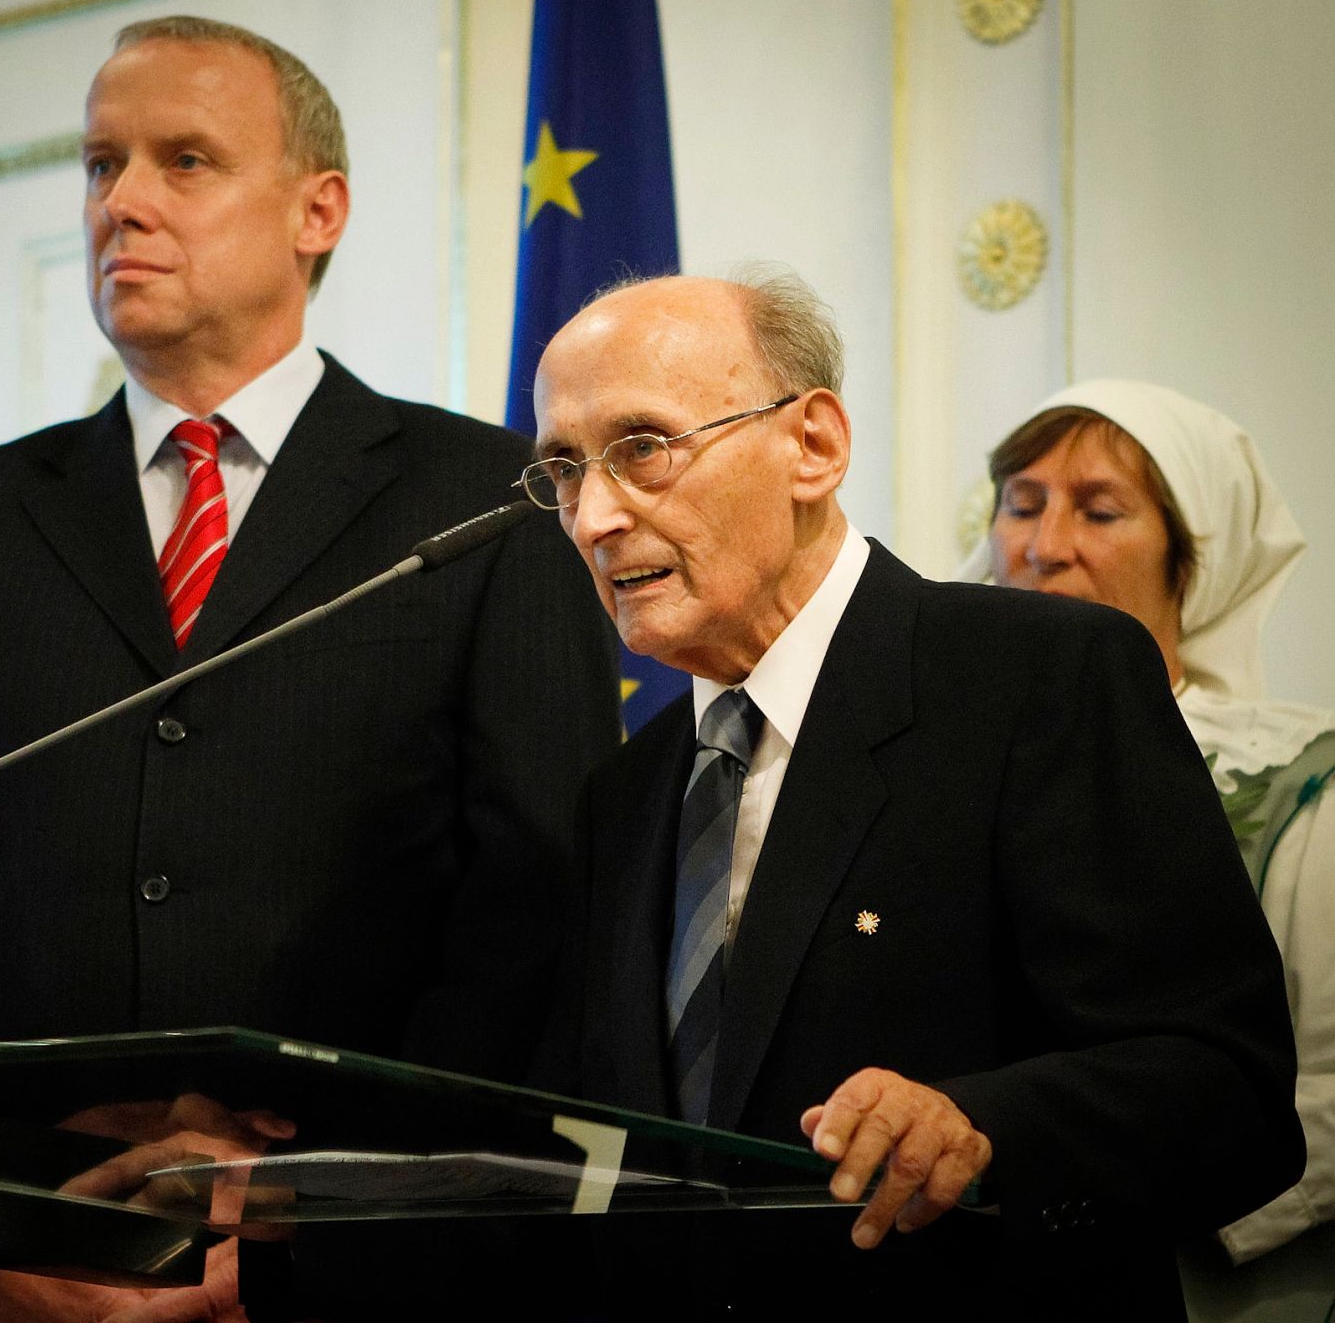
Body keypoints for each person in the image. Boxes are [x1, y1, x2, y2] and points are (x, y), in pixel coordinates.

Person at [0, 15, 618, 1321]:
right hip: (34, 1264)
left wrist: (334, 1228)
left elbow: (542, 917)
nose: (120, 201)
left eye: (183, 160)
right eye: (98, 164)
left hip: (357, 1275)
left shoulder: (489, 503)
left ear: (318, 208)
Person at [527, 271, 1303, 1316]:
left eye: (642, 449)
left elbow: (1230, 1095)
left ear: (812, 445)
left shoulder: (1038, 679)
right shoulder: (624, 793)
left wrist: (982, 1128)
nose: (594, 516)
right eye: (564, 471)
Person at [968, 380, 1335, 1311]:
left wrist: (1134, 1188)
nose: (1046, 548)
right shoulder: (944, 764)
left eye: (1101, 511)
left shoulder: (1305, 785)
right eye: (1022, 503)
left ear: (1191, 560)